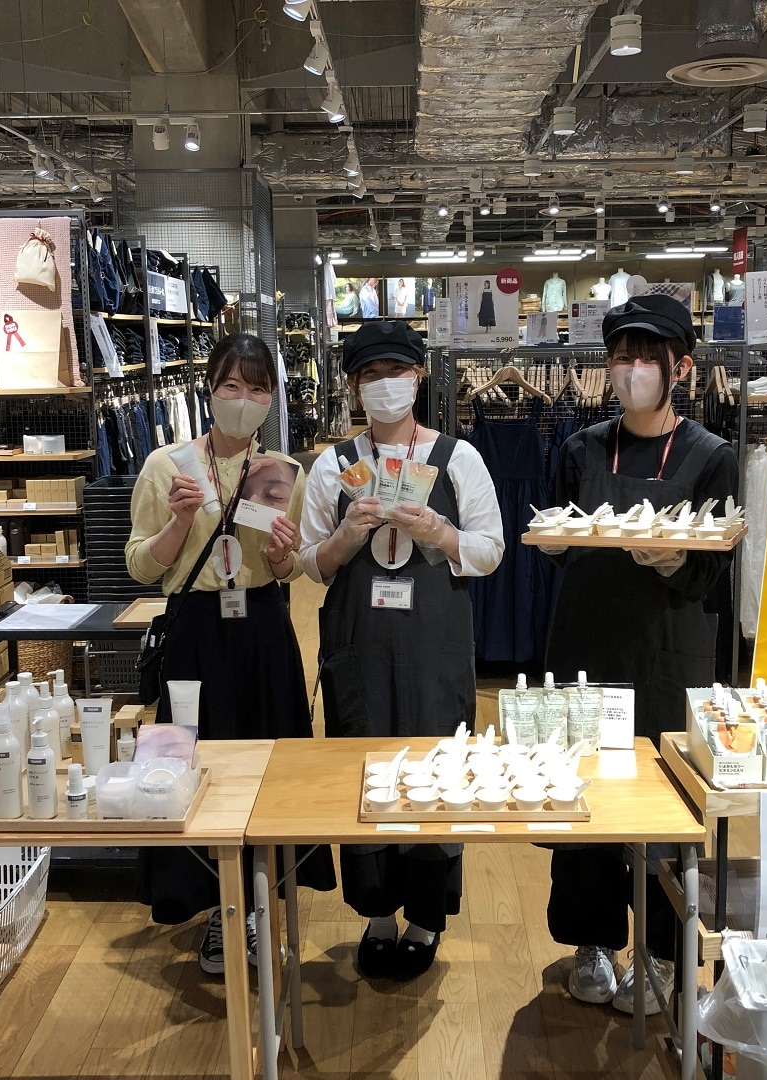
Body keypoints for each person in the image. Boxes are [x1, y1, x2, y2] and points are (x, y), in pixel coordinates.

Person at [542, 295, 738, 1015]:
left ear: (680, 369)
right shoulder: (581, 449)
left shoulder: (711, 456)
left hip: (668, 648)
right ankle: (591, 940)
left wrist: (669, 559)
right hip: (586, 642)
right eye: (620, 357)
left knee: (665, 804)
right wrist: (556, 544)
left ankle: (659, 950)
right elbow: (558, 538)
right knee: (583, 792)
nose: (631, 371)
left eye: (646, 359)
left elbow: (712, 568)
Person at [300, 320, 504, 980]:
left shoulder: (458, 458)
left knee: (436, 771)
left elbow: (490, 551)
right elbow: (312, 564)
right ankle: (378, 914)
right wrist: (346, 536)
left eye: (396, 371)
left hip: (434, 646)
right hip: (358, 646)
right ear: (353, 386)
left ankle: (425, 919)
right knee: (363, 770)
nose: (384, 384)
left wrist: (442, 532)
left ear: (418, 377)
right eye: (369, 374)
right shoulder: (333, 465)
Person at [126, 332, 334, 974]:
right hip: (195, 632)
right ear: (210, 389)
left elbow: (287, 569)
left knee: (269, 760)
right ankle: (217, 907)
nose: (244, 399)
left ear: (272, 399)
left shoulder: (283, 473)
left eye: (258, 388)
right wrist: (178, 523)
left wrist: (282, 555)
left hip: (263, 627)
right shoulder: (167, 466)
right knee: (195, 761)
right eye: (232, 385)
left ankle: (261, 896)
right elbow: (140, 566)